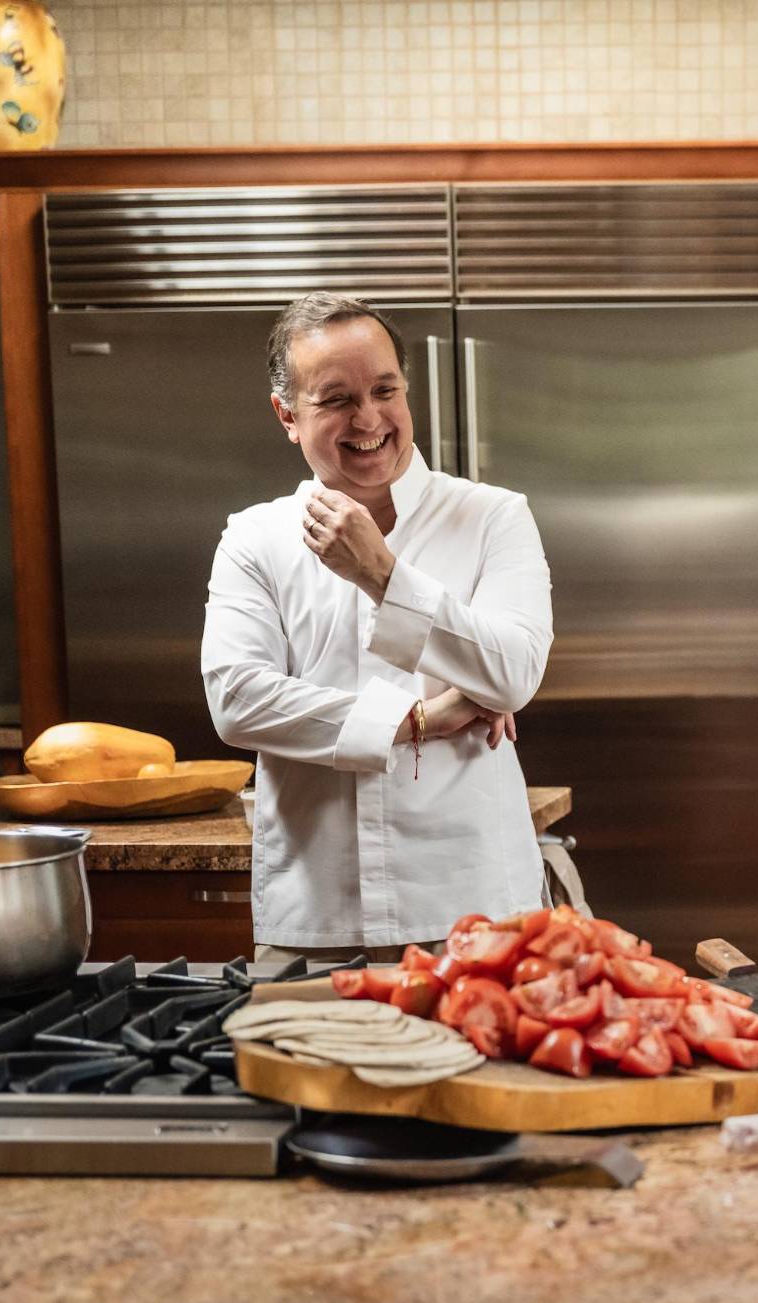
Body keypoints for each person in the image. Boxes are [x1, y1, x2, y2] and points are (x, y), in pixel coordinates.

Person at [202, 292, 554, 967]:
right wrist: (420, 717)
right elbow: (238, 700)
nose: (368, 419)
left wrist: (382, 574)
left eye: (384, 389)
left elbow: (514, 672)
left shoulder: (494, 518)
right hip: (312, 917)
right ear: (287, 415)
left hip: (477, 911)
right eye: (336, 399)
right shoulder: (254, 538)